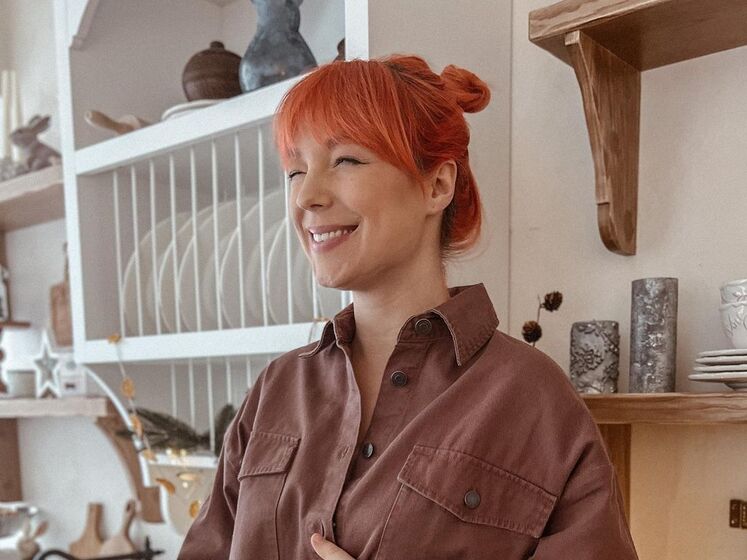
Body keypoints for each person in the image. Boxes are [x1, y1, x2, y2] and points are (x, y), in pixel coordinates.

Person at [177, 54, 639, 560]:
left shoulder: (532, 400)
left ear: (436, 186)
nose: (307, 195)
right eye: (295, 171)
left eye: (346, 160)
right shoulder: (275, 390)